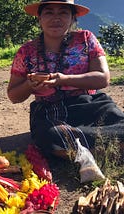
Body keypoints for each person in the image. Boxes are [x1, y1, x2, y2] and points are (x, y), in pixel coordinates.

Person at [7, 0, 124, 158]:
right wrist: (29, 84)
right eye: (49, 12)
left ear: (73, 18)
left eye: (63, 12)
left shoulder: (86, 39)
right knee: (49, 135)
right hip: (49, 109)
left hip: (90, 103)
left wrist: (64, 79)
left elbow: (103, 78)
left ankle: (82, 154)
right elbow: (14, 96)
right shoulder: (26, 51)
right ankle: (104, 151)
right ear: (39, 18)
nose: (56, 18)